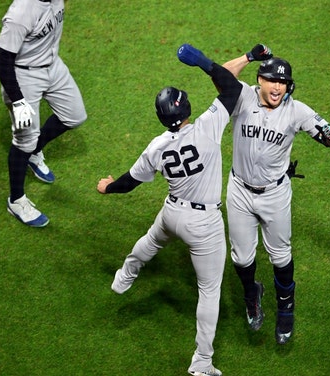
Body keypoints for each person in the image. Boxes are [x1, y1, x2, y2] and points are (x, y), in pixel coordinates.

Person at [97, 44, 247, 376]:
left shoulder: (156, 146)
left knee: (151, 241)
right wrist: (204, 63)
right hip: (203, 223)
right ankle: (201, 362)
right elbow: (233, 89)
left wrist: (107, 186)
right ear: (187, 107)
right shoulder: (208, 126)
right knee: (209, 291)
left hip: (171, 213)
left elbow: (129, 181)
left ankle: (125, 275)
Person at [218, 47, 330, 345]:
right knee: (241, 258)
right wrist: (249, 57)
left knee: (280, 257)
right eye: (272, 80)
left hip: (274, 194)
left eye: (283, 82)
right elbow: (221, 74)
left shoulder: (297, 110)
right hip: (239, 190)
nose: (278, 87)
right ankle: (252, 294)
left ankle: (286, 308)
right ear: (259, 80)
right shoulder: (243, 97)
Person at [0, 0, 87, 227]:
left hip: (53, 66)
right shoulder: (22, 13)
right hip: (24, 77)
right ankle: (16, 201)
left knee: (74, 116)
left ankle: (34, 153)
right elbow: (1, 58)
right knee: (23, 141)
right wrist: (19, 101)